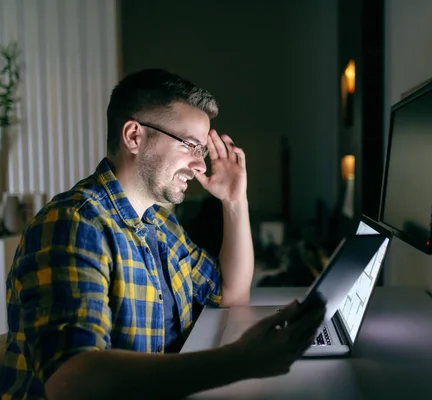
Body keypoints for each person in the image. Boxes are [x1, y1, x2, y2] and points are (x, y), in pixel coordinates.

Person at [0, 69, 325, 400]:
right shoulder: (73, 226)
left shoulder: (160, 223)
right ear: (134, 137)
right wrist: (240, 360)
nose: (201, 165)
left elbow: (231, 292)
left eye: (202, 150)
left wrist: (234, 200)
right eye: (190, 146)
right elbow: (72, 383)